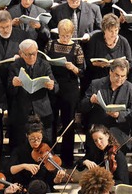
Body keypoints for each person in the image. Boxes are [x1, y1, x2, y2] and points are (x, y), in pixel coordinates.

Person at [43, 19, 84, 166]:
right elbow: (44, 61)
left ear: (72, 33)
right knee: (51, 121)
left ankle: (67, 159)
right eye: (62, 35)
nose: (65, 38)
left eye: (68, 35)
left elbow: (82, 72)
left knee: (68, 123)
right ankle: (50, 157)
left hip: (69, 87)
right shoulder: (51, 44)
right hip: (53, 85)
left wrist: (73, 67)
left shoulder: (77, 48)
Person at [7, 39, 58, 145]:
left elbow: (56, 87)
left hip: (42, 111)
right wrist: (13, 85)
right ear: (21, 53)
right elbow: (9, 91)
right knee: (21, 144)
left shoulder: (44, 65)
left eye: (34, 54)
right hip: (22, 111)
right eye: (28, 54)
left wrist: (51, 86)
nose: (32, 57)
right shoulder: (14, 66)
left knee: (45, 144)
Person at [79, 58, 132, 146]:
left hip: (119, 133)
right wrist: (90, 101)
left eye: (123, 76)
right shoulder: (96, 84)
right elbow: (81, 107)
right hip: (97, 132)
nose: (120, 79)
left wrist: (119, 115)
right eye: (117, 75)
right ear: (110, 72)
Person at [8, 116, 66, 190]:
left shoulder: (46, 149)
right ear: (27, 136)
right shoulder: (19, 150)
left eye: (39, 139)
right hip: (25, 186)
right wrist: (24, 166)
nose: (36, 142)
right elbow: (10, 170)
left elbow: (52, 181)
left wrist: (58, 178)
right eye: (32, 139)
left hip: (42, 187)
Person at [84, 13, 132, 84]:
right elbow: (88, 60)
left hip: (118, 80)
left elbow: (130, 63)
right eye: (111, 31)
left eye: (116, 30)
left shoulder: (123, 42)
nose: (114, 34)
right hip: (98, 78)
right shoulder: (95, 39)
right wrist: (97, 64)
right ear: (104, 30)